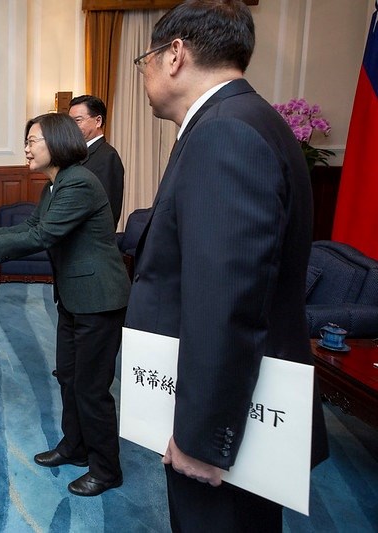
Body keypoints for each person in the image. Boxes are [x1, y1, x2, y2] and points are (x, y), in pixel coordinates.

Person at [124, 1, 329, 530]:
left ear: (174, 55)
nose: (142, 75)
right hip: (237, 394)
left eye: (143, 61)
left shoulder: (223, 133)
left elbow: (226, 300)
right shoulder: (247, 118)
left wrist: (202, 437)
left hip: (227, 417)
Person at [0, 113, 130, 497]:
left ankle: (106, 468)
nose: (27, 148)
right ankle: (75, 446)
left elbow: (45, 235)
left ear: (58, 142)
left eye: (33, 140)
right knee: (68, 376)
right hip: (74, 295)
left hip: (98, 298)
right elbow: (32, 226)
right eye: (27, 141)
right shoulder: (54, 187)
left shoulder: (79, 182)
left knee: (91, 386)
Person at [68, 95, 126, 227]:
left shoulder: (107, 156)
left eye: (77, 120)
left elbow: (107, 209)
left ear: (98, 121)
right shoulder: (76, 154)